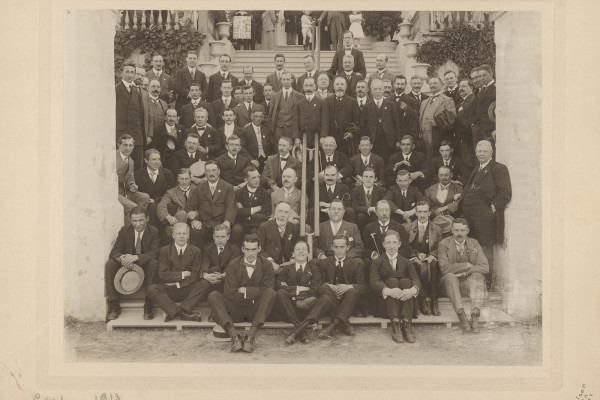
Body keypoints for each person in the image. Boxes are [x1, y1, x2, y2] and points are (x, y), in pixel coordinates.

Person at [207, 234, 277, 353]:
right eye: (247, 249)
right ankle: (234, 337)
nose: (250, 253)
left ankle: (251, 337)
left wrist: (244, 290)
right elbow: (229, 293)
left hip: (256, 311)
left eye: (253, 249)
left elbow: (267, 289)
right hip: (235, 311)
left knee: (271, 293)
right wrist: (255, 292)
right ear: (243, 249)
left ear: (259, 249)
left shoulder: (266, 265)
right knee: (213, 295)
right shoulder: (233, 264)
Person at [459, 140, 511, 286]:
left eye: (485, 151)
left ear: (491, 152)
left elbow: (505, 193)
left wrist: (492, 209)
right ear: (475, 152)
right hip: (470, 218)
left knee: (486, 250)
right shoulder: (477, 168)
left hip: (486, 219)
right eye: (479, 151)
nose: (481, 154)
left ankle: (486, 283)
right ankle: (475, 281)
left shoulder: (498, 168)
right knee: (472, 249)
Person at [105, 207, 160, 321]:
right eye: (134, 221)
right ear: (130, 220)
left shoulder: (154, 231)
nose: (137, 224)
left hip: (144, 264)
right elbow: (115, 251)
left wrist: (135, 258)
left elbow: (155, 252)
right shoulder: (125, 230)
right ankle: (114, 306)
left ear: (147, 219)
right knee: (110, 264)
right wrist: (123, 258)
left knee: (154, 263)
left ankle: (148, 306)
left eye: (141, 220)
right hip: (127, 265)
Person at [147, 223, 210, 322]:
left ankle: (177, 312)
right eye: (179, 233)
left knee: (204, 284)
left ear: (188, 235)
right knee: (152, 289)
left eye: (184, 233)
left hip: (187, 289)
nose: (181, 236)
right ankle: (182, 313)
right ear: (173, 235)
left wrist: (178, 284)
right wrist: (183, 274)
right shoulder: (164, 251)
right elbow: (163, 275)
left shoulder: (196, 251)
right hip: (169, 289)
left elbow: (194, 276)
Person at [438, 218, 489, 333]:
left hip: (467, 284)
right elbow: (444, 268)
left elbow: (485, 267)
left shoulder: (474, 243)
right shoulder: (444, 244)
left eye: (462, 230)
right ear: (452, 230)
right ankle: (462, 316)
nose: (459, 234)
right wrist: (466, 264)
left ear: (467, 231)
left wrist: (468, 271)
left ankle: (475, 315)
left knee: (478, 276)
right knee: (450, 276)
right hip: (449, 285)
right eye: (456, 230)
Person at [370, 230, 420, 343]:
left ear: (399, 244)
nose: (391, 246)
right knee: (392, 281)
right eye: (388, 243)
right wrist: (389, 291)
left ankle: (407, 326)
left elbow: (416, 279)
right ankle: (396, 326)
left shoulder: (407, 262)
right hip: (386, 307)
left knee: (406, 282)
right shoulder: (377, 262)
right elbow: (374, 282)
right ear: (383, 244)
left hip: (406, 304)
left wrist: (412, 290)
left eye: (394, 242)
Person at [276, 240, 328, 344]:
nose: (301, 252)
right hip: (291, 308)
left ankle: (296, 332)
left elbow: (315, 289)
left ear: (308, 253)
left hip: (307, 308)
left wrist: (290, 289)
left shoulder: (314, 269)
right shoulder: (286, 269)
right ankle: (302, 331)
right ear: (293, 253)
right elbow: (279, 286)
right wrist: (299, 289)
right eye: (298, 249)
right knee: (280, 293)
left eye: (304, 249)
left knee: (326, 299)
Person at [316, 235, 367, 338]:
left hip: (349, 300)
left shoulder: (355, 263)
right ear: (331, 247)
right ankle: (346, 323)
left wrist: (348, 287)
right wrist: (330, 286)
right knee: (324, 288)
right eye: (336, 247)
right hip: (331, 299)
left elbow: (364, 287)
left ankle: (331, 327)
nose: (339, 250)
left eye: (342, 247)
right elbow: (318, 285)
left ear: (348, 247)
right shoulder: (325, 263)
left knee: (352, 291)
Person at [185, 160, 237, 248]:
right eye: (208, 171)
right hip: (204, 224)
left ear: (219, 171)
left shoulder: (228, 187)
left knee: (230, 231)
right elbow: (189, 207)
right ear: (205, 173)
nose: (211, 173)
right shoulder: (198, 189)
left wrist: (227, 222)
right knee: (195, 231)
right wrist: (194, 221)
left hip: (221, 223)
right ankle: (197, 258)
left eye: (214, 170)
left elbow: (231, 207)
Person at [405, 200, 443, 316]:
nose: (422, 215)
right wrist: (415, 256)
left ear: (429, 213)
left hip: (430, 258)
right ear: (415, 213)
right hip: (414, 258)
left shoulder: (436, 229)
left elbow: (439, 248)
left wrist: (431, 256)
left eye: (425, 212)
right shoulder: (407, 228)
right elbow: (405, 248)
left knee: (434, 265)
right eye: (419, 212)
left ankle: (434, 300)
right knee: (415, 265)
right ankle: (421, 300)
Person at [199, 224, 243, 322]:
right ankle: (215, 310)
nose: (220, 239)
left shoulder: (234, 249)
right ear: (213, 236)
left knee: (217, 270)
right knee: (215, 269)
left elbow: (233, 266)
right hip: (212, 281)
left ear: (228, 237)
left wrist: (223, 275)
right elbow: (205, 264)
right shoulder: (208, 249)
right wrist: (205, 275)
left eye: (223, 237)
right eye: (217, 236)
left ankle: (216, 311)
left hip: (228, 281)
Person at [419, 76, 457, 160]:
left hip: (438, 137)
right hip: (424, 138)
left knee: (437, 159)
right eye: (431, 83)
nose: (432, 85)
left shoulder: (447, 100)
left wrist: (438, 122)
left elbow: (452, 117)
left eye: (435, 83)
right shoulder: (424, 102)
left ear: (441, 85)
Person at [231, 166, 271, 245]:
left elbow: (265, 214)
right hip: (242, 223)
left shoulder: (265, 193)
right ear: (246, 180)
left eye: (258, 177)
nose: (257, 180)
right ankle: (236, 253)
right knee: (236, 230)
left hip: (257, 224)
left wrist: (244, 213)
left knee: (255, 232)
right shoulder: (238, 193)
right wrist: (256, 209)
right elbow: (236, 213)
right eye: (253, 178)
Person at [134, 149, 175, 225]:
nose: (157, 162)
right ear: (146, 160)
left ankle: (165, 232)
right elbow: (136, 193)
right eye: (154, 159)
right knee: (151, 206)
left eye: (158, 159)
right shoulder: (138, 174)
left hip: (163, 201)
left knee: (170, 206)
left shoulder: (167, 173)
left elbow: (171, 192)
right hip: (147, 203)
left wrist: (156, 200)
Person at [257, 202, 300, 274]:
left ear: (289, 214)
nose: (283, 215)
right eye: (280, 211)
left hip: (289, 265)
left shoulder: (294, 228)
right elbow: (259, 248)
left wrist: (292, 260)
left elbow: (298, 246)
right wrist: (270, 262)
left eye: (286, 212)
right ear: (275, 213)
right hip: (269, 265)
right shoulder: (264, 227)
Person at [115, 63, 145, 167]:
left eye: (132, 72)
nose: (130, 75)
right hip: (121, 135)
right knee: (121, 167)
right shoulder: (116, 90)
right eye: (127, 71)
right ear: (121, 73)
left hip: (136, 136)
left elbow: (140, 115)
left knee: (136, 167)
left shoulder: (136, 91)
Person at [366, 79, 403, 159]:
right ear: (371, 91)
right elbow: (364, 125)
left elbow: (397, 123)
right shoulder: (367, 106)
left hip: (389, 141)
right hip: (374, 141)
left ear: (383, 90)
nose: (378, 91)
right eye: (375, 89)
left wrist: (398, 140)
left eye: (379, 89)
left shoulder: (391, 105)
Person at [116, 134, 150, 218]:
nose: (128, 148)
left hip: (124, 191)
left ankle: (136, 221)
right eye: (125, 145)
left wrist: (132, 185)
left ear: (133, 146)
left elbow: (130, 178)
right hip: (113, 192)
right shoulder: (112, 157)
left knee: (145, 197)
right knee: (133, 207)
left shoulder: (131, 161)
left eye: (130, 145)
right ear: (118, 145)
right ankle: (129, 228)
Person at [291, 77, 329, 150]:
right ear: (303, 87)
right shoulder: (298, 104)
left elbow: (324, 121)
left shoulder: (321, 102)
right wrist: (296, 137)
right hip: (302, 137)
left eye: (311, 85)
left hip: (317, 137)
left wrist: (323, 136)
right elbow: (295, 121)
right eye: (306, 85)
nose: (308, 88)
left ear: (315, 87)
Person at [157, 168, 193, 239]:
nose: (184, 181)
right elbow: (161, 206)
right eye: (182, 179)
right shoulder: (171, 192)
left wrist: (196, 212)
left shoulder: (197, 190)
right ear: (178, 179)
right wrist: (167, 216)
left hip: (194, 219)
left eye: (186, 178)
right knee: (182, 213)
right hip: (179, 219)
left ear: (190, 178)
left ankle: (173, 231)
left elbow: (204, 206)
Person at [267, 71, 303, 141]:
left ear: (292, 80)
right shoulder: (275, 96)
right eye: (284, 79)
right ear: (281, 80)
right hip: (278, 128)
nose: (286, 82)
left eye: (288, 79)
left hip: (292, 129)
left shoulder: (299, 96)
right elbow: (270, 115)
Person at [322, 77, 355, 149]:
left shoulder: (352, 102)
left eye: (342, 84)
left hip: (346, 138)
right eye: (337, 84)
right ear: (333, 87)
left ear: (346, 87)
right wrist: (324, 136)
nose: (339, 86)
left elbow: (355, 120)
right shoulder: (327, 101)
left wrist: (351, 132)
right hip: (331, 137)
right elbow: (324, 120)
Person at [471, 64, 497, 146]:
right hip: (479, 132)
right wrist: (473, 125)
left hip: (491, 131)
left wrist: (496, 130)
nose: (481, 78)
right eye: (480, 76)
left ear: (491, 74)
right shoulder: (481, 91)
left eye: (484, 75)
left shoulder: (497, 89)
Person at [455, 79, 476, 165]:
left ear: (471, 88)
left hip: (468, 138)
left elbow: (471, 120)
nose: (460, 88)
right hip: (461, 138)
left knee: (469, 162)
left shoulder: (473, 100)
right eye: (459, 86)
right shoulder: (461, 101)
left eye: (464, 86)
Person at [144, 79, 169, 145]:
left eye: (158, 87)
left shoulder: (164, 104)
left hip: (162, 137)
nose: (156, 89)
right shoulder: (143, 102)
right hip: (148, 137)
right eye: (153, 86)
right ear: (148, 88)